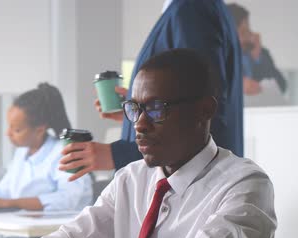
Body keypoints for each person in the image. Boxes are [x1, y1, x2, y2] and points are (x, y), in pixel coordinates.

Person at [0, 49, 276, 238]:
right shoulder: (132, 178)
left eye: (156, 108)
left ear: (204, 110)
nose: (139, 124)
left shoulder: (245, 183)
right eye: (134, 108)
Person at [59, 0, 243, 182]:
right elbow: (189, 101)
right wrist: (141, 110)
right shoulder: (196, 8)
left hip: (195, 185)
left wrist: (116, 155)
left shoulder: (190, 9)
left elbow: (199, 109)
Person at [0, 83, 92, 212]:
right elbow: (4, 190)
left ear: (39, 130)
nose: (7, 133)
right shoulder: (22, 152)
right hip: (26, 227)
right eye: (9, 126)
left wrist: (10, 203)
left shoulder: (67, 152)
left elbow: (66, 199)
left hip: (63, 228)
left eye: (16, 129)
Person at [227, 3, 287, 95]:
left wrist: (257, 57)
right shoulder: (218, 57)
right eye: (243, 32)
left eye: (248, 30)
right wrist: (238, 84)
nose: (248, 35)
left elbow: (282, 85)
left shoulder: (260, 53)